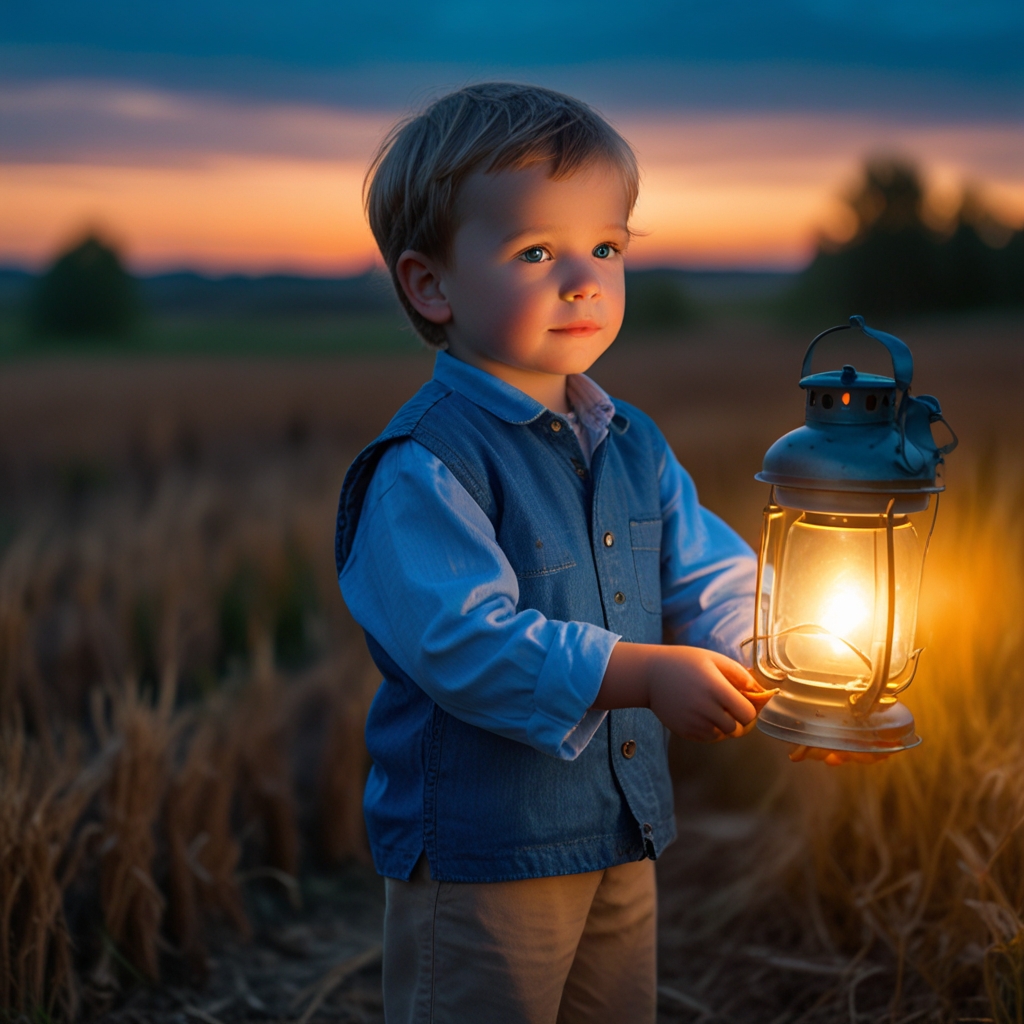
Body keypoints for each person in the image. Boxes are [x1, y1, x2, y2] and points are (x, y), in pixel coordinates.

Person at [335, 82, 774, 1023]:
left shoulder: (632, 440)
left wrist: (762, 646)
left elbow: (704, 571)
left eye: (606, 248)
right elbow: (466, 642)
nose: (584, 280)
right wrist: (645, 674)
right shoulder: (425, 466)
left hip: (619, 829)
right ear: (431, 284)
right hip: (485, 854)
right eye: (537, 251)